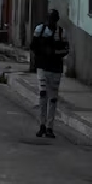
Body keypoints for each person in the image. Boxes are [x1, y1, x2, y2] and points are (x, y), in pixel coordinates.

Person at [32, 9, 70, 138]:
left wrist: (54, 53)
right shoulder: (40, 29)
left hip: (55, 68)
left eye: (53, 20)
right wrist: (42, 53)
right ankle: (42, 125)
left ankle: (50, 127)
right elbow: (33, 46)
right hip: (42, 67)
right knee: (43, 95)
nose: (50, 22)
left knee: (53, 98)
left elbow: (66, 49)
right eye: (49, 19)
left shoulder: (61, 32)